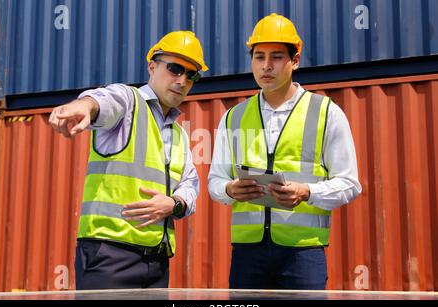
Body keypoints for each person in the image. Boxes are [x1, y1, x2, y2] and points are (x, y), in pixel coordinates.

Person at [208, 13, 361, 290]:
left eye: (277, 57)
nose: (266, 66)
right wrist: (230, 189)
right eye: (259, 56)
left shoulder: (326, 113)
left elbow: (350, 184)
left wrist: (307, 192)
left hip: (303, 253)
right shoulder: (233, 117)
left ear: (295, 60)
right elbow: (215, 181)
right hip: (247, 254)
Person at [49, 31, 208, 290]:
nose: (182, 81)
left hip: (157, 262)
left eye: (191, 75)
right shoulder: (128, 102)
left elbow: (190, 186)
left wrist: (174, 203)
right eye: (175, 69)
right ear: (152, 66)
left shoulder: (180, 134)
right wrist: (84, 106)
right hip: (109, 257)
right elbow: (103, 100)